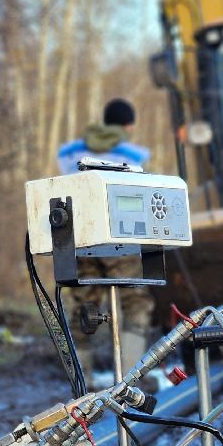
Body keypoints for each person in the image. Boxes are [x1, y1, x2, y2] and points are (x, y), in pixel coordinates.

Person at [55, 98, 154, 382]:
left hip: (78, 238)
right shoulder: (135, 155)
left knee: (85, 305)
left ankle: (80, 380)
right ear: (128, 126)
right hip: (119, 237)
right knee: (134, 302)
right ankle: (130, 378)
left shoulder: (68, 152)